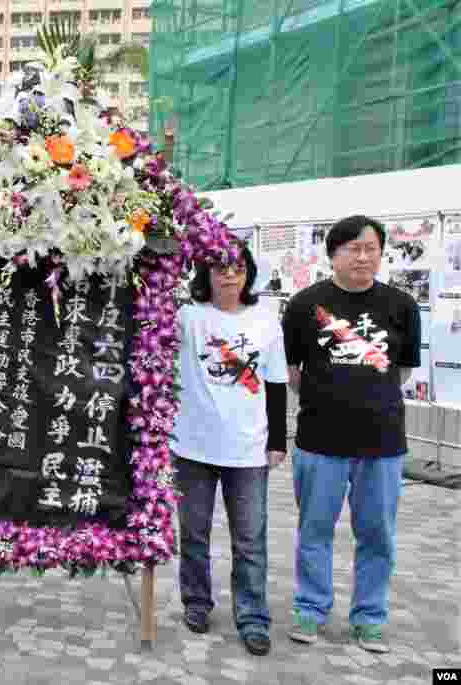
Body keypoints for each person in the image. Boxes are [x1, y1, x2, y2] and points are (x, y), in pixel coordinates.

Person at [282, 215, 420, 654]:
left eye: (371, 248)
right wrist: (332, 395)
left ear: (381, 253)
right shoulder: (305, 305)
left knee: (377, 533)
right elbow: (293, 372)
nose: (363, 256)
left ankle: (369, 617)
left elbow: (402, 371)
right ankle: (311, 607)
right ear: (333, 255)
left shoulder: (402, 306)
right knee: (315, 530)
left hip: (382, 443)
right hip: (320, 440)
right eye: (352, 249)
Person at [171, 243, 287, 657]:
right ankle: (197, 603)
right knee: (195, 534)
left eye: (237, 268)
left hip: (248, 450)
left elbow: (274, 384)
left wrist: (277, 441)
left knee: (250, 539)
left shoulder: (267, 320)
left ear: (248, 273)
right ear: (206, 274)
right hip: (192, 447)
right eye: (219, 268)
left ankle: (253, 617)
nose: (229, 276)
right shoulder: (187, 318)